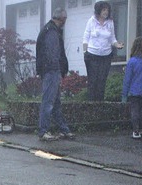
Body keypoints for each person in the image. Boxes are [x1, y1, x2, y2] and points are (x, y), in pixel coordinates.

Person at [36, 7, 75, 141]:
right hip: (52, 71)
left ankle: (63, 129)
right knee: (49, 102)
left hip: (50, 71)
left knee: (55, 102)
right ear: (62, 19)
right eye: (65, 19)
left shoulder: (48, 30)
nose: (65, 21)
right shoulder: (52, 32)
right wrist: (58, 71)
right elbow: (53, 54)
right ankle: (44, 131)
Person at [82, 1, 124, 101]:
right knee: (93, 80)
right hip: (92, 55)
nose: (106, 12)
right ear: (98, 10)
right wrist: (85, 53)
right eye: (104, 10)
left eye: (107, 10)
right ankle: (91, 104)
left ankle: (100, 103)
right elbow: (85, 38)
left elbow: (112, 38)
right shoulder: (91, 21)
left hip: (106, 55)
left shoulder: (110, 22)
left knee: (102, 80)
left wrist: (117, 44)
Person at [122, 37, 142, 139]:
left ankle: (136, 131)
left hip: (134, 91)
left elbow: (127, 79)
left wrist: (124, 95)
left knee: (135, 111)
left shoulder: (132, 62)